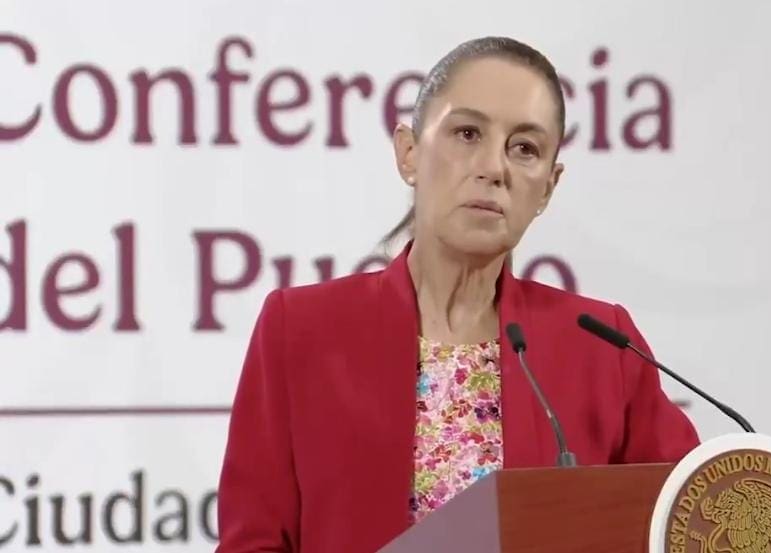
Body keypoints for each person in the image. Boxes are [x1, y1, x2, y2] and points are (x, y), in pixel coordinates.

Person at [214, 36, 700, 553]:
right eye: (467, 133)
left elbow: (689, 518)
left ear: (547, 188)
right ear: (409, 152)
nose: (494, 168)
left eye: (525, 148)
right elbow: (254, 541)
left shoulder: (601, 346)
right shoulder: (301, 328)